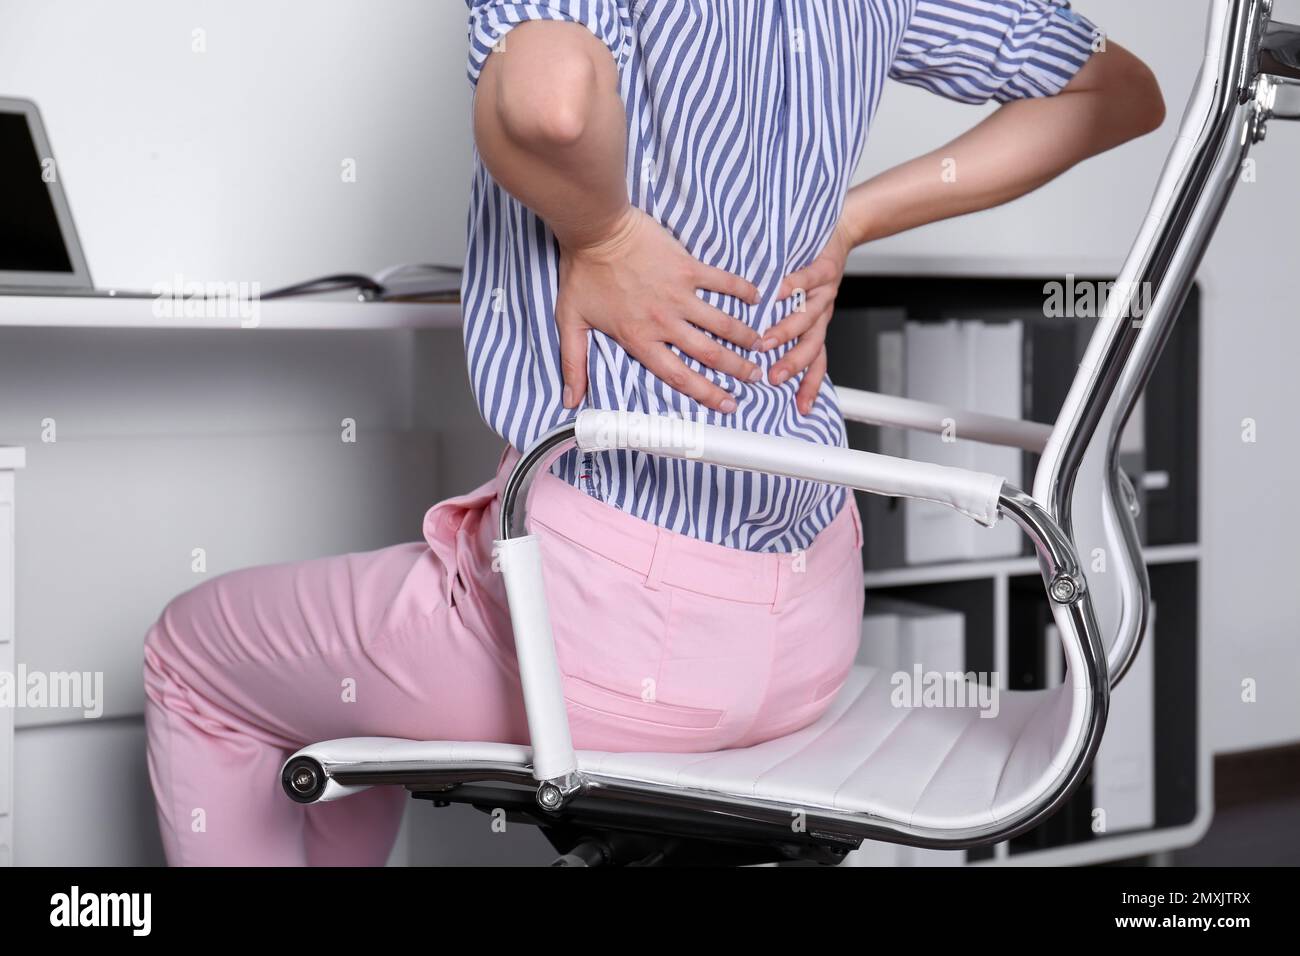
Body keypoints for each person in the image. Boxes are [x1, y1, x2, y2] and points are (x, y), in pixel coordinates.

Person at [143, 0, 1164, 865]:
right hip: (808, 625)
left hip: (609, 637)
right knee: (348, 692)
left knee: (193, 655)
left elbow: (548, 99)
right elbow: (1117, 92)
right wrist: (849, 220)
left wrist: (605, 232)